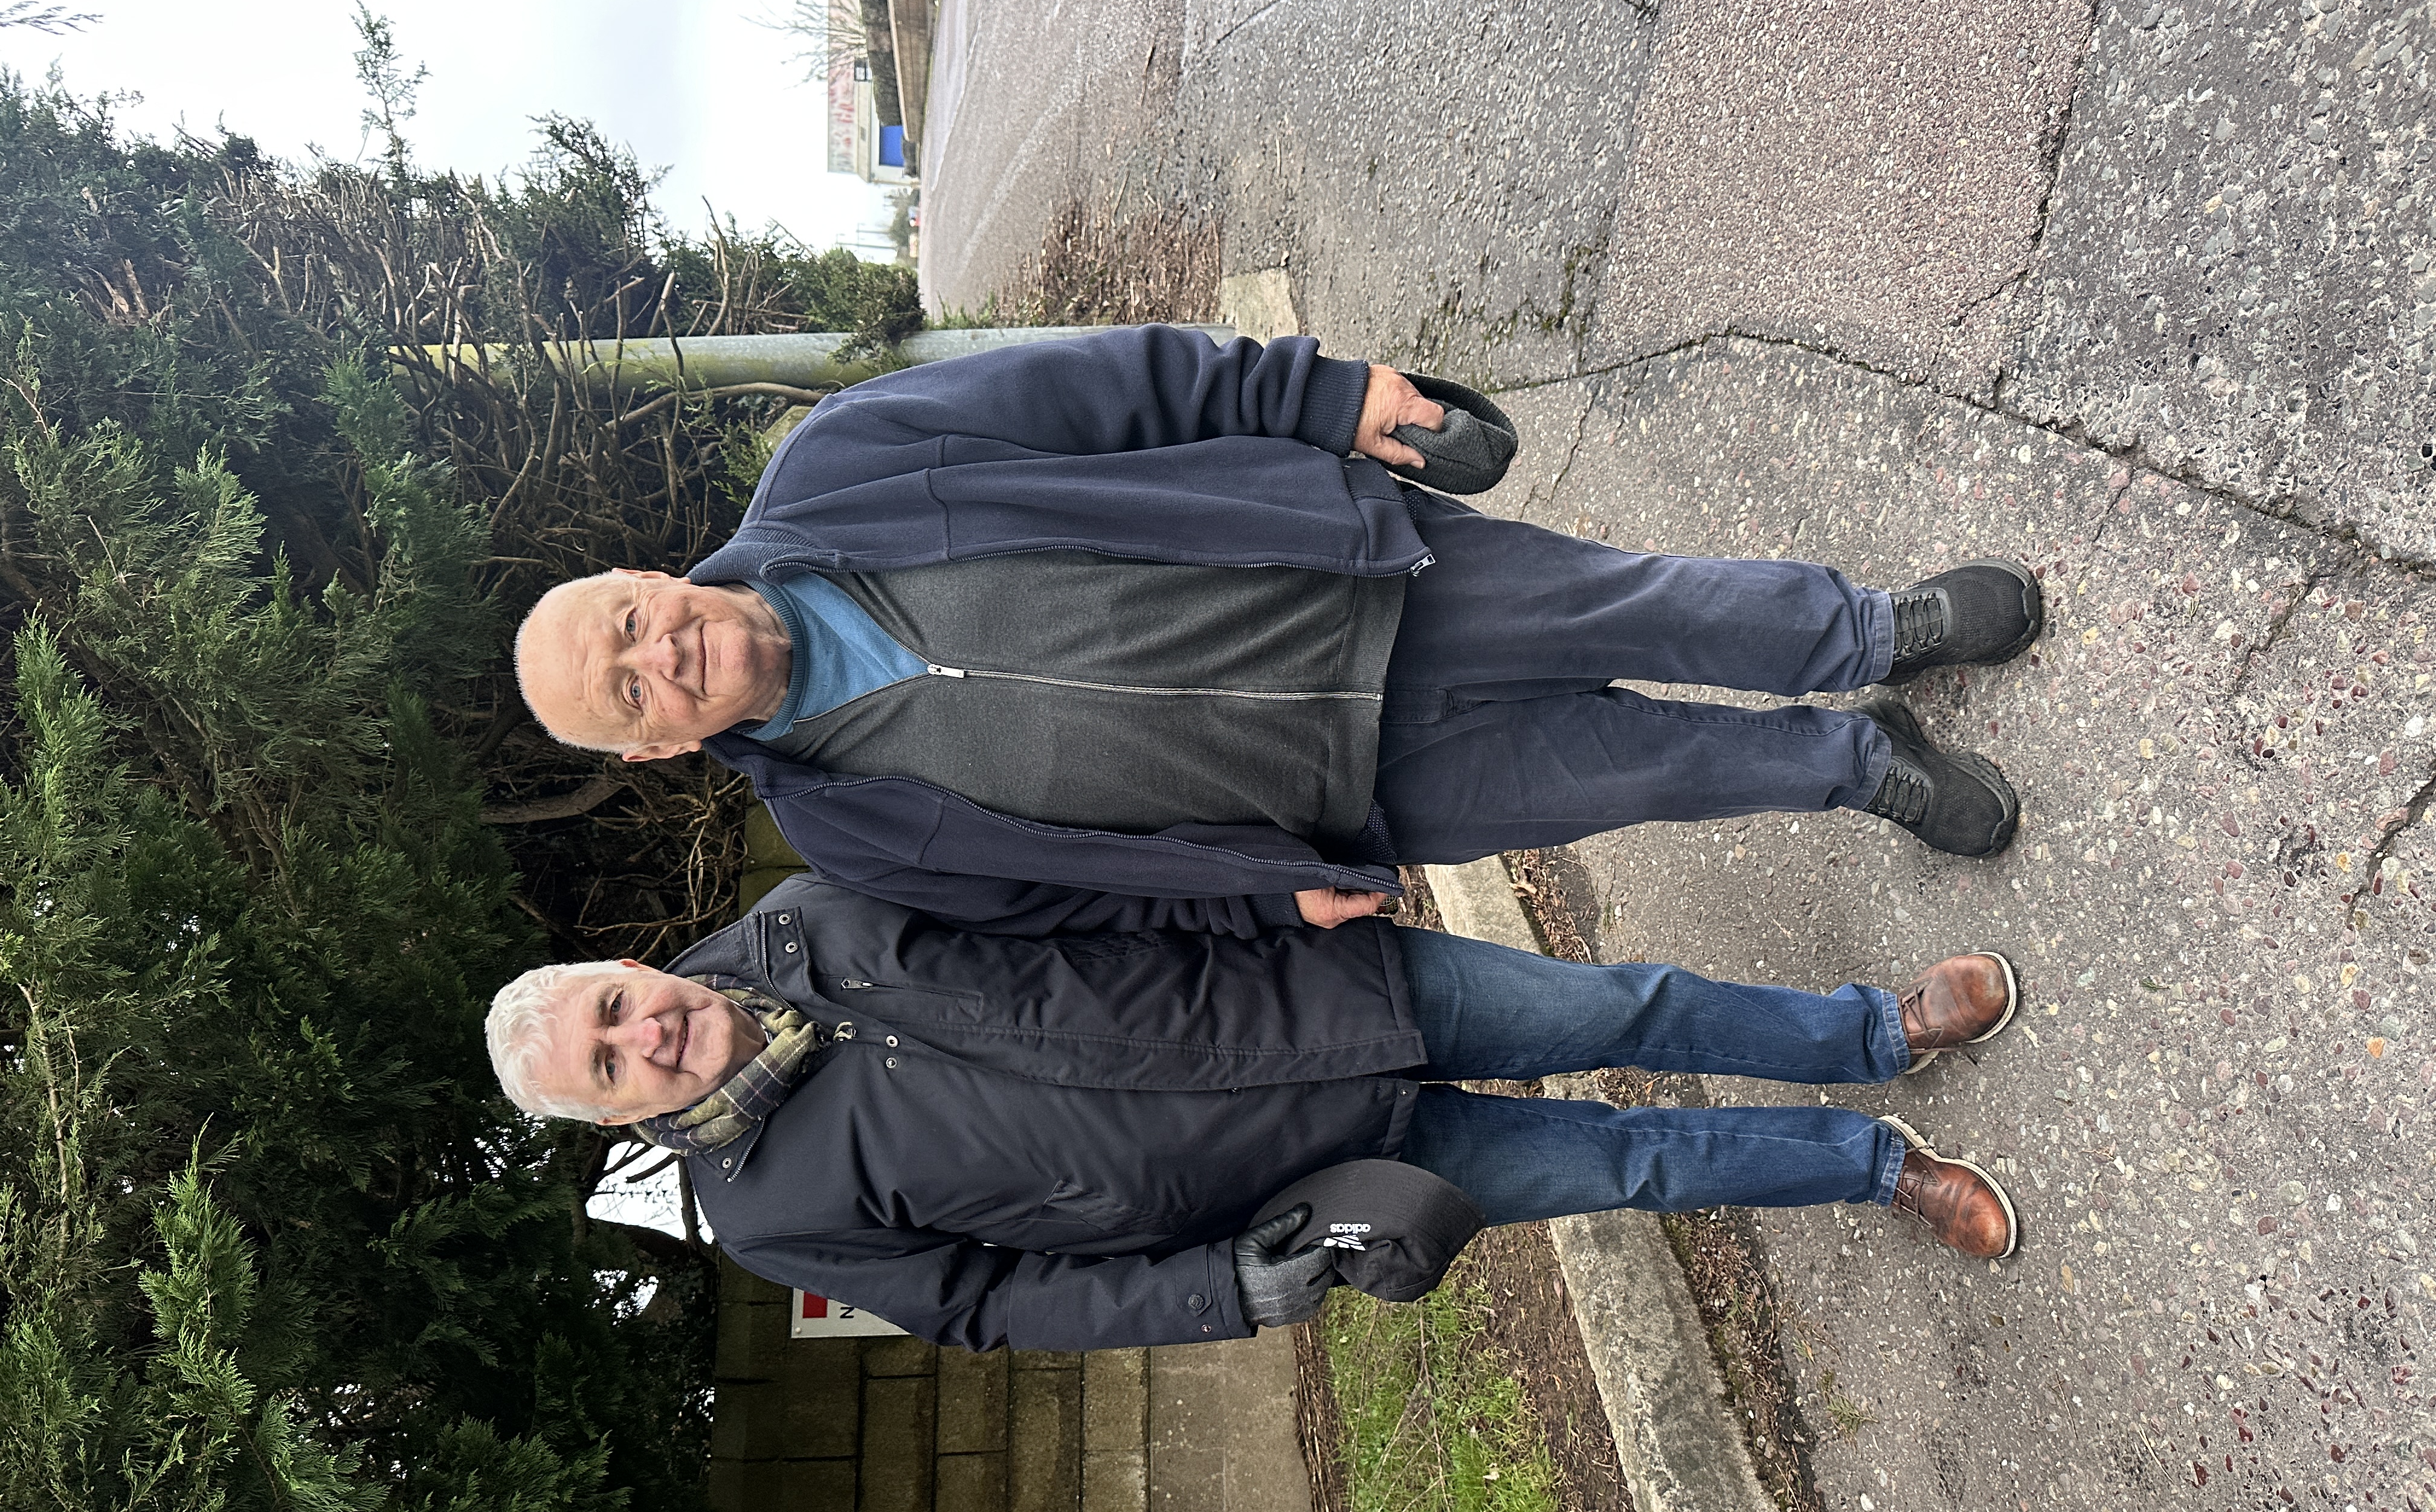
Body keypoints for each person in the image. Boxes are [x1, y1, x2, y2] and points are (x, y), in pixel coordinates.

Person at [512, 327, 2041, 936]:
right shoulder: (851, 835)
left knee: (1643, 602)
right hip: (1337, 793)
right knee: (1642, 771)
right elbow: (1077, 911)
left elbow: (1108, 389)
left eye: (636, 624)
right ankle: (1856, 767)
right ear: (656, 745)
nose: (666, 656)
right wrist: (1263, 907)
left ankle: (1870, 631)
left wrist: (1320, 396)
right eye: (634, 693)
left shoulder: (837, 464)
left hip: (1346, 571)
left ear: (654, 582)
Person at [485, 875, 2025, 1351]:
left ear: (625, 963)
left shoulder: (810, 918)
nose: (647, 1035)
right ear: (611, 1115)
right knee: (1622, 1163)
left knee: (1621, 1007)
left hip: (1320, 1000)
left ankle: (1873, 1030)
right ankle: (1872, 1165)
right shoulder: (764, 1211)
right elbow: (992, 1306)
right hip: (1305, 1173)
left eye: (614, 1004)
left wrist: (1259, 886)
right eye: (608, 1066)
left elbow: (1066, 878)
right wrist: (1220, 1287)